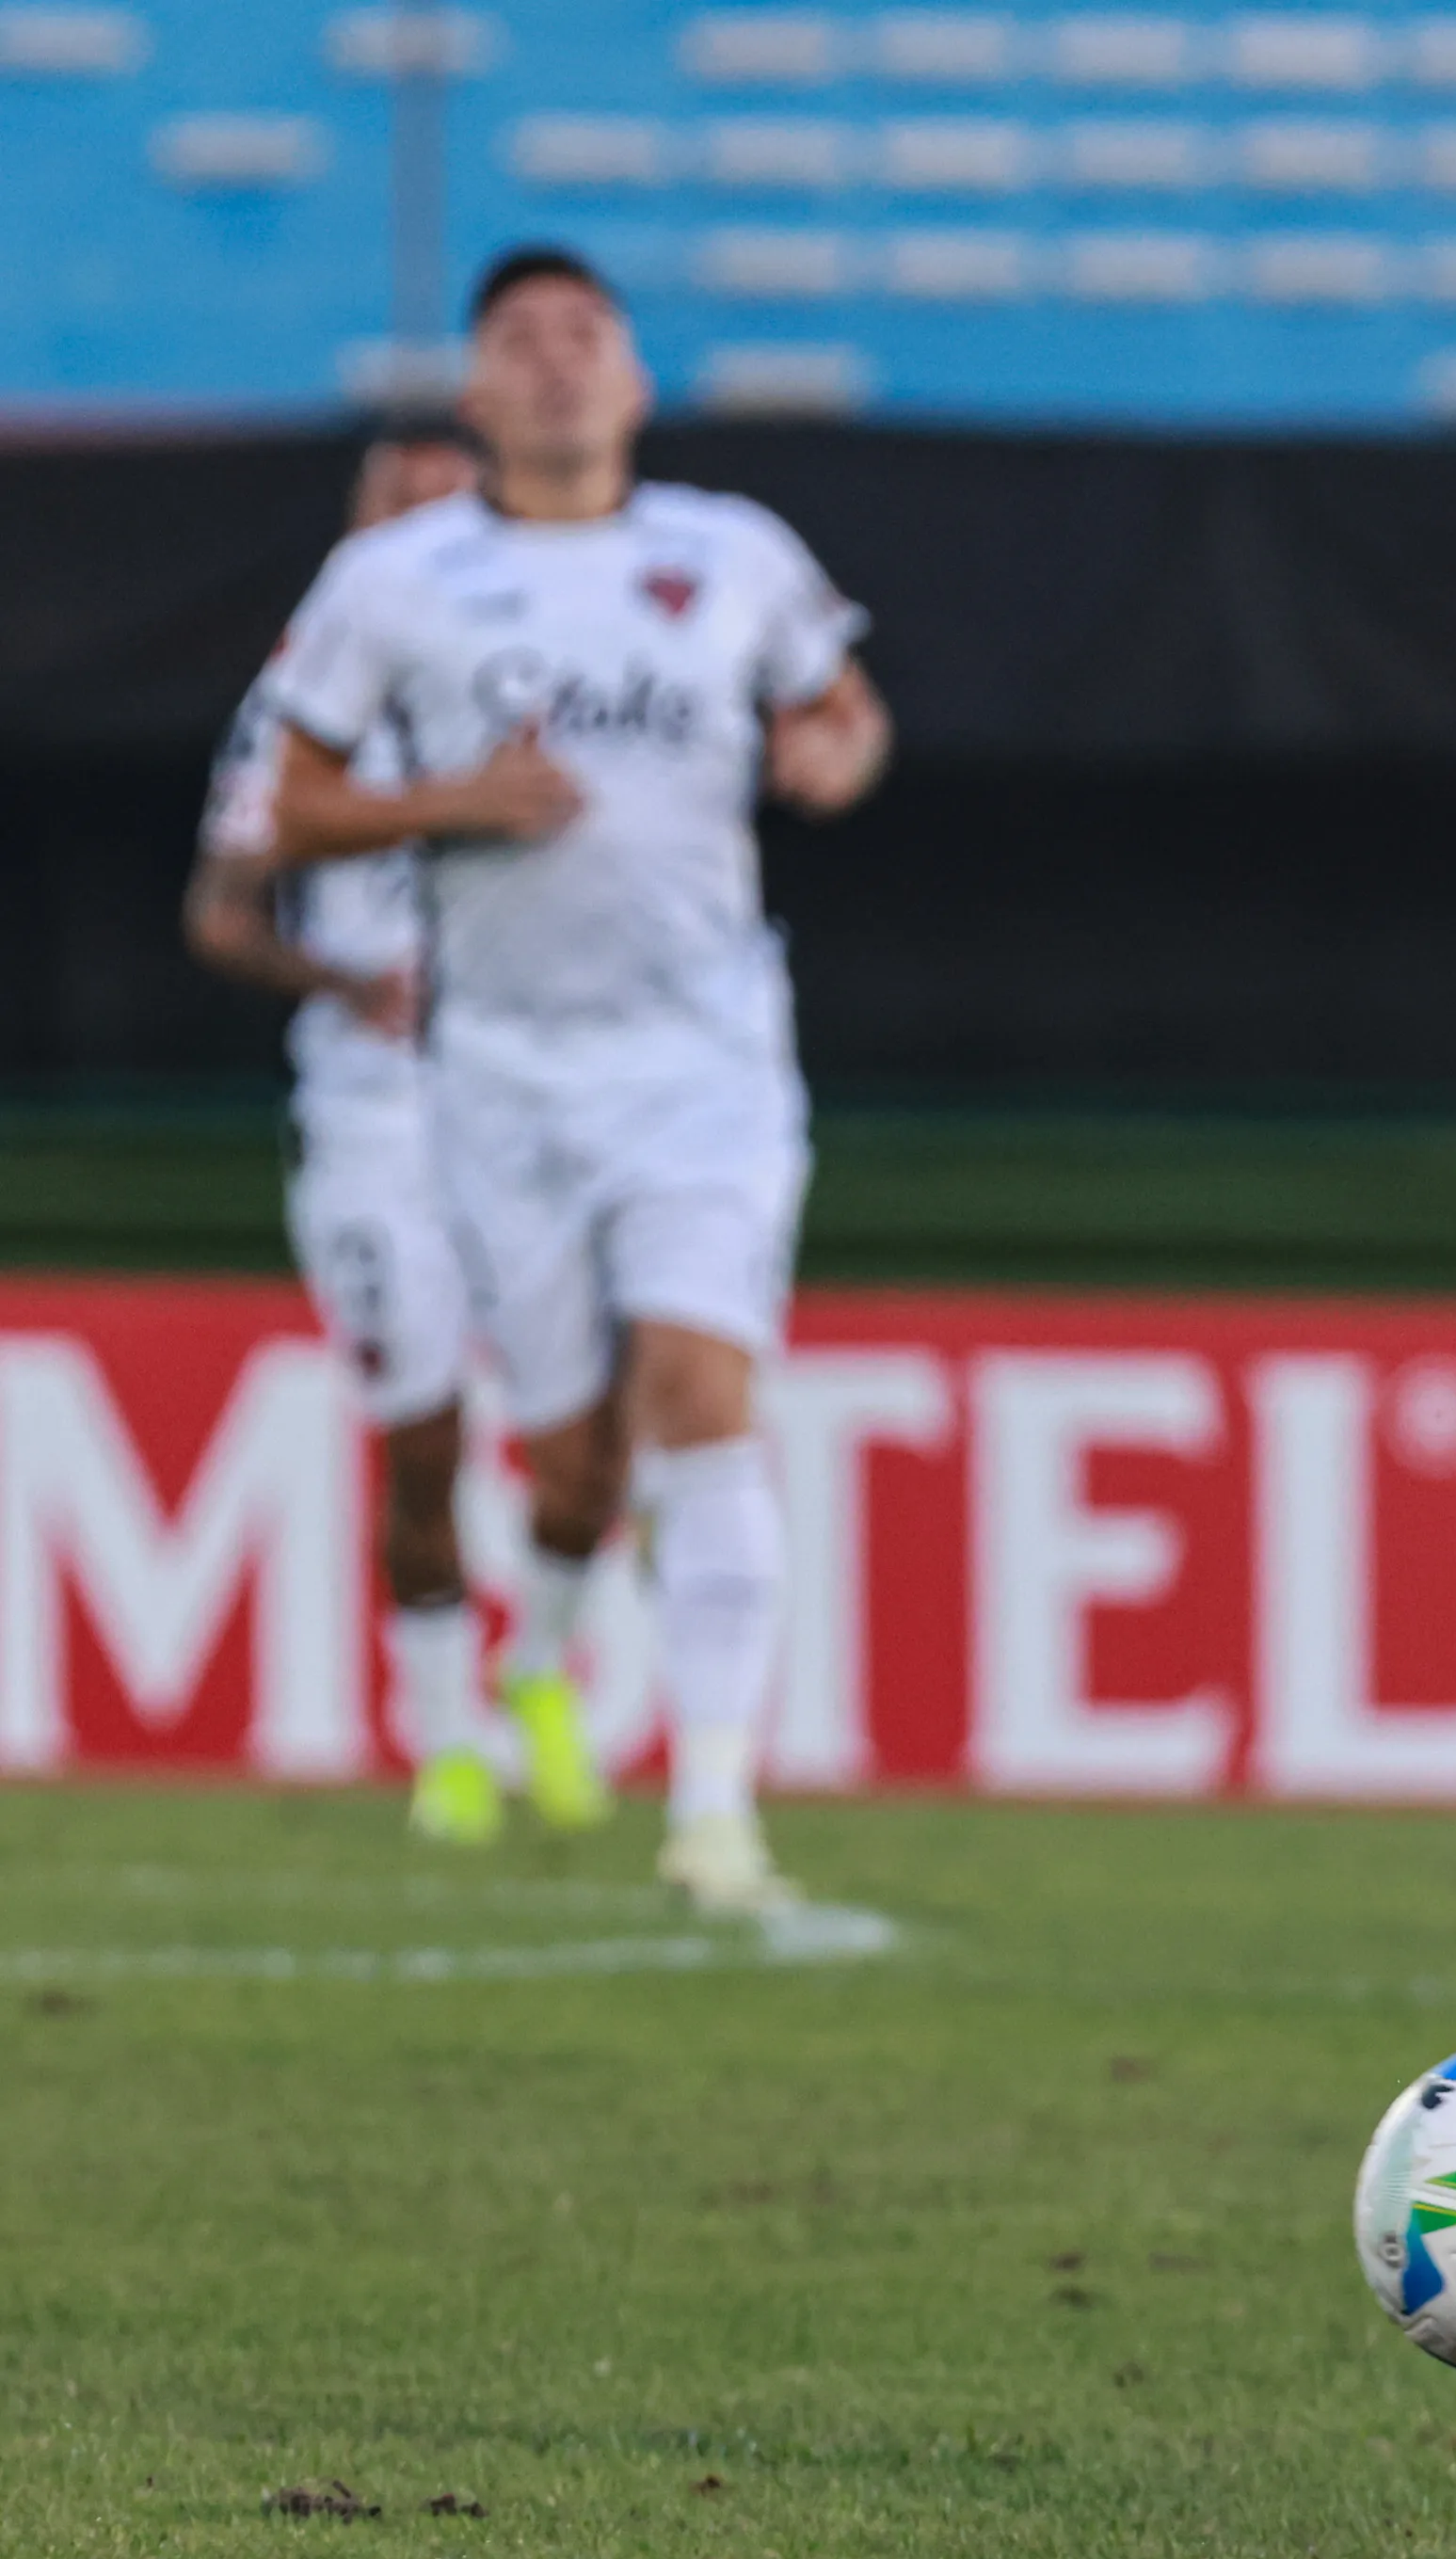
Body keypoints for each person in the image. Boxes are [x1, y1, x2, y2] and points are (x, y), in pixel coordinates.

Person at [261, 246, 889, 1914]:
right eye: (519, 342)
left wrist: (829, 755)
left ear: (632, 383)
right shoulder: (396, 583)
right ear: (476, 395)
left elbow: (843, 711)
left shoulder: (729, 554)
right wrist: (449, 801)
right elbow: (291, 812)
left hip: (703, 1056)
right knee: (572, 1456)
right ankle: (542, 1665)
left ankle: (712, 1808)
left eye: (583, 338)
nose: (553, 364)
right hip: (501, 1076)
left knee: (702, 1388)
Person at [190, 412, 548, 1846]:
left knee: (606, 1411)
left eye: (442, 517)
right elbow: (220, 910)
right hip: (376, 1108)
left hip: (543, 1087)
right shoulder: (290, 710)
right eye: (388, 516)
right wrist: (344, 979)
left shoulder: (552, 682)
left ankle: (558, 1662)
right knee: (424, 1431)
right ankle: (447, 1733)